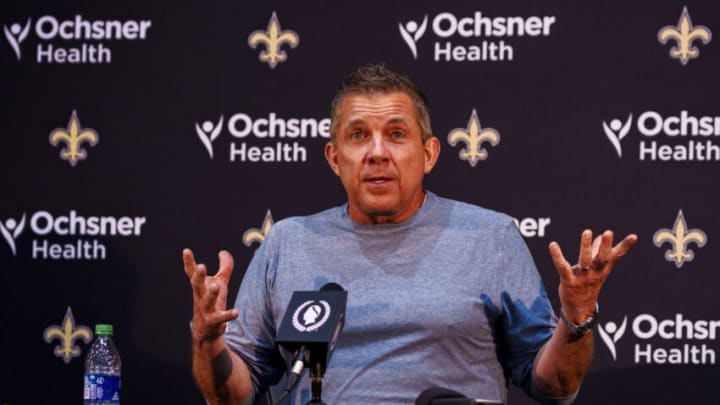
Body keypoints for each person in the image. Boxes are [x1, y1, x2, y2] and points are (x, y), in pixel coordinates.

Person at [183, 64, 637, 404]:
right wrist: (207, 340)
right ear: (333, 158)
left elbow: (554, 385)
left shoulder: (490, 236)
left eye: (396, 134)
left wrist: (577, 318)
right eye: (358, 135)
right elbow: (230, 396)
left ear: (429, 153)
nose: (377, 153)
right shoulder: (287, 242)